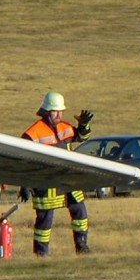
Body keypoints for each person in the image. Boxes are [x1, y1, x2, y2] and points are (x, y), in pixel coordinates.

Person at [20, 91, 94, 256]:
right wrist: (24, 184)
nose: (59, 114)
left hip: (68, 181)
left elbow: (82, 137)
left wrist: (84, 126)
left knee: (80, 212)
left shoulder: (65, 127)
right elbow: (23, 160)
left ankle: (81, 244)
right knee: (44, 220)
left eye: (61, 111)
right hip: (46, 184)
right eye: (55, 111)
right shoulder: (33, 133)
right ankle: (41, 254)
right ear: (46, 112)